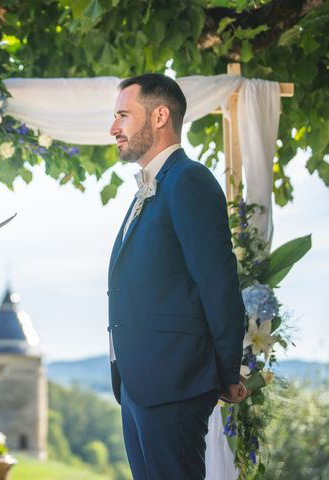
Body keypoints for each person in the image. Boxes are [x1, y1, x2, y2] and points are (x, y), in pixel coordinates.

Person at [107, 73, 248, 480]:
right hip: (138, 383)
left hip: (174, 382)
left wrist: (223, 372)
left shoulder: (189, 180)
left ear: (159, 116)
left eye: (122, 115)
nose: (114, 128)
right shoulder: (149, 188)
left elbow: (219, 284)